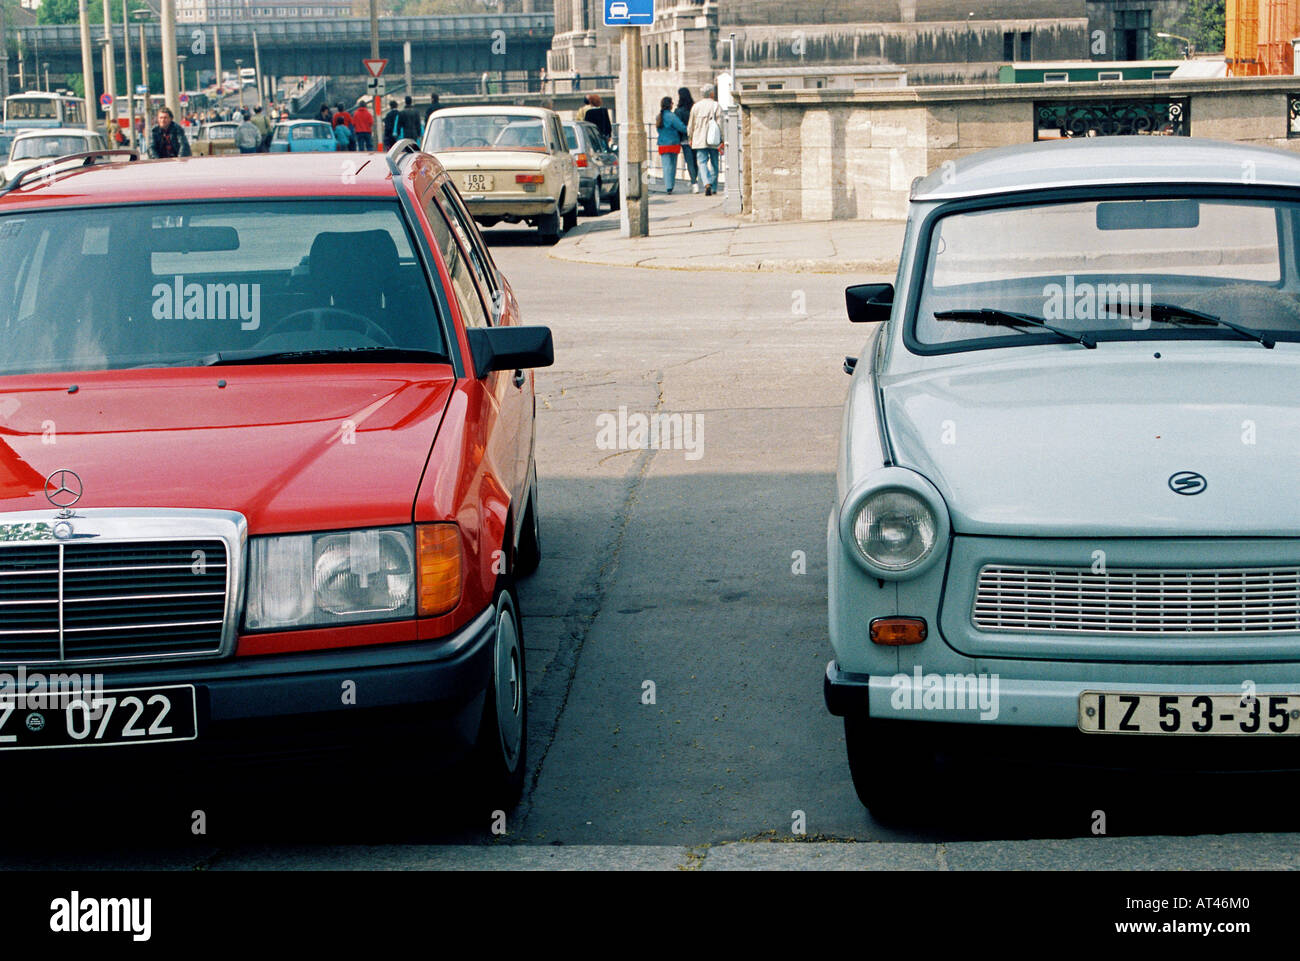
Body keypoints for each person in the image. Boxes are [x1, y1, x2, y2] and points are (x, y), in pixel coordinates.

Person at [687, 83, 723, 196]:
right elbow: (720, 124)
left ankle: (706, 183)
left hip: (699, 138)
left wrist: (690, 137)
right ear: (712, 93)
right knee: (714, 163)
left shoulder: (696, 106)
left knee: (701, 162)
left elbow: (691, 124)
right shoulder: (716, 106)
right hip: (713, 139)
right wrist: (722, 138)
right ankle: (713, 187)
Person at [654, 95, 688, 194]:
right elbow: (681, 127)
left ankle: (668, 186)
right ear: (670, 105)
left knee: (666, 166)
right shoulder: (672, 116)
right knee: (672, 166)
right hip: (673, 144)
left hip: (662, 144)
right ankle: (671, 185)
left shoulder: (658, 117)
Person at [674, 87, 699, 193]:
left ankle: (694, 183)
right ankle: (695, 179)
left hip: (685, 138)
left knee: (689, 161)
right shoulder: (694, 107)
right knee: (695, 160)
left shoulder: (678, 111)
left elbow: (678, 125)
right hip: (696, 137)